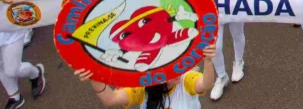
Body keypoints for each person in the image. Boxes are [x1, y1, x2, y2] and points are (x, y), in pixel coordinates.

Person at [75, 44, 217, 109]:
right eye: (169, 69)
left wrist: (208, 60)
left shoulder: (185, 80)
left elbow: (206, 84)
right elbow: (111, 100)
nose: (177, 72)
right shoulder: (143, 88)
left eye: (175, 65)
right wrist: (94, 78)